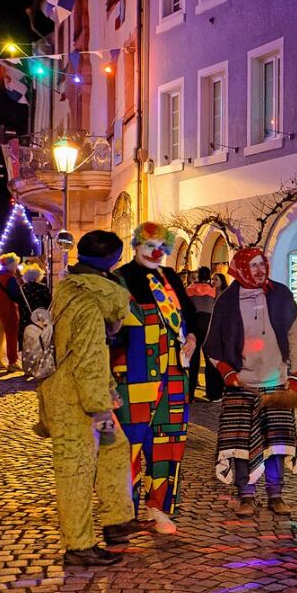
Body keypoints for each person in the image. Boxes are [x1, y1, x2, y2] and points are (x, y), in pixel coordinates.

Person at [38, 230, 153, 567]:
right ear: (111, 261)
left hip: (80, 394)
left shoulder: (70, 289)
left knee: (113, 449)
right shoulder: (89, 305)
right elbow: (88, 360)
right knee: (75, 469)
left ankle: (117, 521)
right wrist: (98, 406)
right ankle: (78, 545)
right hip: (77, 401)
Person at [111, 222, 198, 535]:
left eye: (163, 246)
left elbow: (189, 317)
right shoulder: (119, 278)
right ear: (136, 245)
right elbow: (110, 331)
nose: (157, 252)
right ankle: (123, 512)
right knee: (128, 447)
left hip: (173, 376)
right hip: (132, 378)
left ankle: (157, 508)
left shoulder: (170, 277)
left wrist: (191, 339)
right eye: (150, 245)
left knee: (167, 445)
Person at [205, 248, 297, 517]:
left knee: (277, 443)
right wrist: (227, 372)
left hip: (277, 383)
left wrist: (295, 374)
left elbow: (296, 336)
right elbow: (213, 345)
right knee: (240, 445)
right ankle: (246, 495)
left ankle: (276, 493)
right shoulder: (226, 301)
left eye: (263, 264)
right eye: (254, 265)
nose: (260, 270)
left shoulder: (281, 295)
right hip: (243, 385)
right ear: (240, 269)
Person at [185, 266, 219, 401]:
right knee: (210, 359)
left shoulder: (189, 289)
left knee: (194, 360)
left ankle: (191, 394)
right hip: (208, 324)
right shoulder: (213, 290)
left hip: (194, 323)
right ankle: (212, 393)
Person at [0, 252, 22, 372]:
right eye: (15, 264)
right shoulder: (10, 277)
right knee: (12, 335)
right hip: (9, 308)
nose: (16, 266)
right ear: (10, 264)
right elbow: (16, 294)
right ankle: (12, 362)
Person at [15, 265, 52, 343]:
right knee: (40, 341)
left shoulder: (22, 288)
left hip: (26, 319)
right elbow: (49, 302)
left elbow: (19, 302)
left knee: (27, 342)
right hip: (41, 319)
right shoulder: (43, 288)